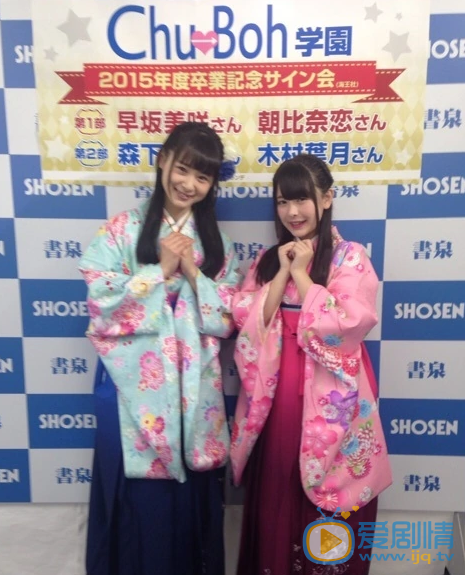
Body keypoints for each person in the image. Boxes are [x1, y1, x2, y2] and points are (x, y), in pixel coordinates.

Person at [79, 122, 242, 575]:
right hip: (130, 388)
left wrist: (192, 273)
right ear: (162, 161)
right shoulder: (121, 231)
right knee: (136, 501)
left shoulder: (219, 244)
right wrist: (158, 272)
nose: (189, 184)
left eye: (202, 177)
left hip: (193, 391)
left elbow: (230, 317)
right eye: (182, 169)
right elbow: (100, 301)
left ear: (212, 185)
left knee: (189, 504)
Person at [230, 154, 392, 575]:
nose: (292, 212)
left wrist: (302, 275)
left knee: (329, 484)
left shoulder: (349, 256)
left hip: (330, 390)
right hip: (278, 386)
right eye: (283, 202)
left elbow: (351, 322)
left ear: (327, 199)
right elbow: (246, 319)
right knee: (279, 475)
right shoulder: (269, 259)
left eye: (301, 199)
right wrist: (283, 271)